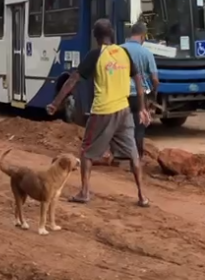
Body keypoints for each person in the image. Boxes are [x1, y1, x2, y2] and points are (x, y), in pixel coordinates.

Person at [46, 19, 151, 208]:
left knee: (86, 152)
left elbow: (72, 81)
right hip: (124, 110)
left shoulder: (95, 55)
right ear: (112, 34)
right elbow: (139, 81)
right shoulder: (124, 52)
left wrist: (55, 103)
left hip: (103, 111)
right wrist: (142, 108)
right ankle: (142, 196)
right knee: (133, 154)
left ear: (95, 36)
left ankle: (85, 192)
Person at [121, 22, 159, 160]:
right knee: (139, 127)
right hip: (139, 96)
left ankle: (119, 155)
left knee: (120, 126)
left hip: (121, 95)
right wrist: (154, 94)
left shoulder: (119, 50)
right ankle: (137, 158)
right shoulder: (147, 53)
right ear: (143, 36)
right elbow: (155, 79)